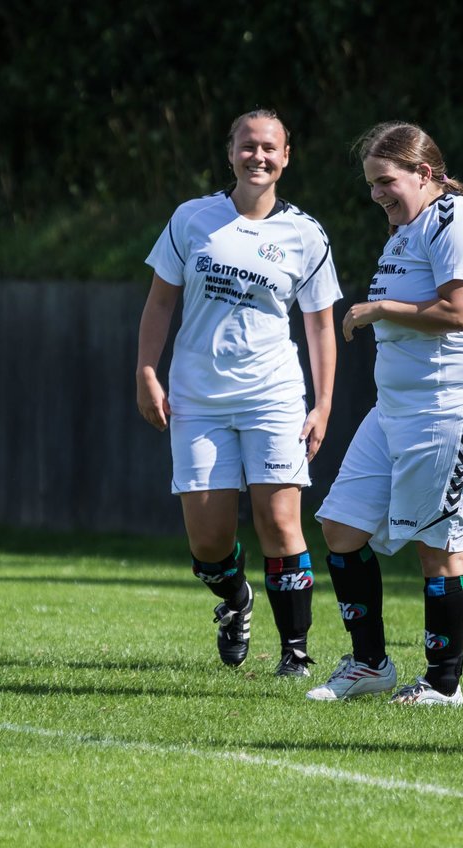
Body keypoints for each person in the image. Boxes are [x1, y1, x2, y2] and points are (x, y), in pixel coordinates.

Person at [307, 121, 463, 706]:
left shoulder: (457, 222)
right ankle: (369, 664)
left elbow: (459, 311)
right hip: (394, 409)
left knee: (439, 548)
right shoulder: (406, 228)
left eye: (385, 181)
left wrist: (376, 310)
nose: (377, 195)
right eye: (370, 184)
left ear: (425, 172)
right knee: (341, 528)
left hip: (451, 407)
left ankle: (444, 684)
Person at [137, 109, 340, 677]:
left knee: (280, 523)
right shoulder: (191, 219)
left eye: (270, 148)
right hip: (197, 398)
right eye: (248, 146)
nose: (259, 156)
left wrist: (322, 404)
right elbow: (159, 302)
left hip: (273, 395)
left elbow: (321, 325)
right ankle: (235, 600)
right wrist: (146, 372)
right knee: (207, 542)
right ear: (230, 153)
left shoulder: (305, 234)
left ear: (286, 157)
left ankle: (295, 653)